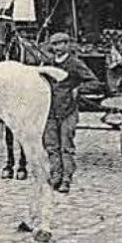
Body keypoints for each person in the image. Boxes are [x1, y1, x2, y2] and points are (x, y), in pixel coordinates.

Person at [41, 30, 97, 194]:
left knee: (66, 146)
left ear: (67, 45)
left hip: (68, 111)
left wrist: (78, 89)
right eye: (54, 44)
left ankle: (66, 179)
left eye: (60, 44)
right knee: (51, 146)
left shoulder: (75, 63)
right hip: (50, 111)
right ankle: (55, 176)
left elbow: (94, 82)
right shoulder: (49, 63)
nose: (57, 47)